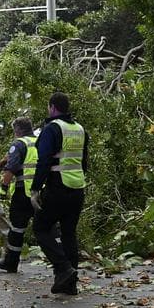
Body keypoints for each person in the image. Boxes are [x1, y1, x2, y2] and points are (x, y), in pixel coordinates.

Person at [31, 92, 88, 295]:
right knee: (69, 233)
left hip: (58, 187)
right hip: (77, 188)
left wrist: (35, 189)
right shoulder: (80, 129)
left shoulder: (52, 129)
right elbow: (84, 161)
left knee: (40, 228)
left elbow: (44, 161)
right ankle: (70, 284)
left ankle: (63, 269)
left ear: (53, 107)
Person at [0, 116, 37, 273]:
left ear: (18, 130)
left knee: (17, 229)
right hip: (41, 192)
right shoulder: (40, 142)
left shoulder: (19, 144)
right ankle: (62, 263)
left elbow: (10, 169)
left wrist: (3, 189)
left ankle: (10, 263)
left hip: (23, 192)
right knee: (47, 228)